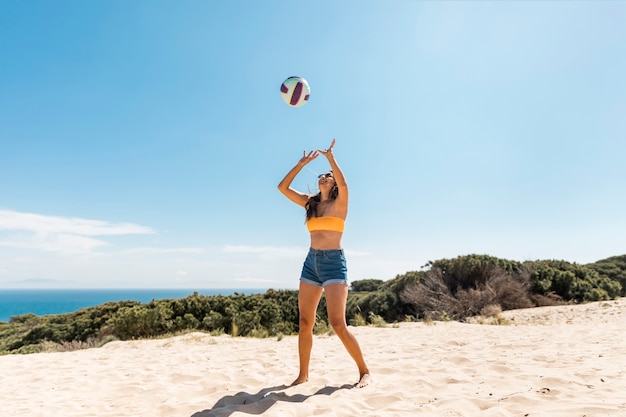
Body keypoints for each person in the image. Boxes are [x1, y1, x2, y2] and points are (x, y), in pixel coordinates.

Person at [278, 138, 371, 389]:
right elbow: (282, 188)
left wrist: (331, 158)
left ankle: (364, 371)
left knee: (337, 323)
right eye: (321, 176)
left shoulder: (340, 203)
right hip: (311, 263)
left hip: (333, 264)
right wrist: (300, 164)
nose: (324, 178)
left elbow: (344, 181)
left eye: (327, 176)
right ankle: (303, 375)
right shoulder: (311, 203)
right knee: (305, 322)